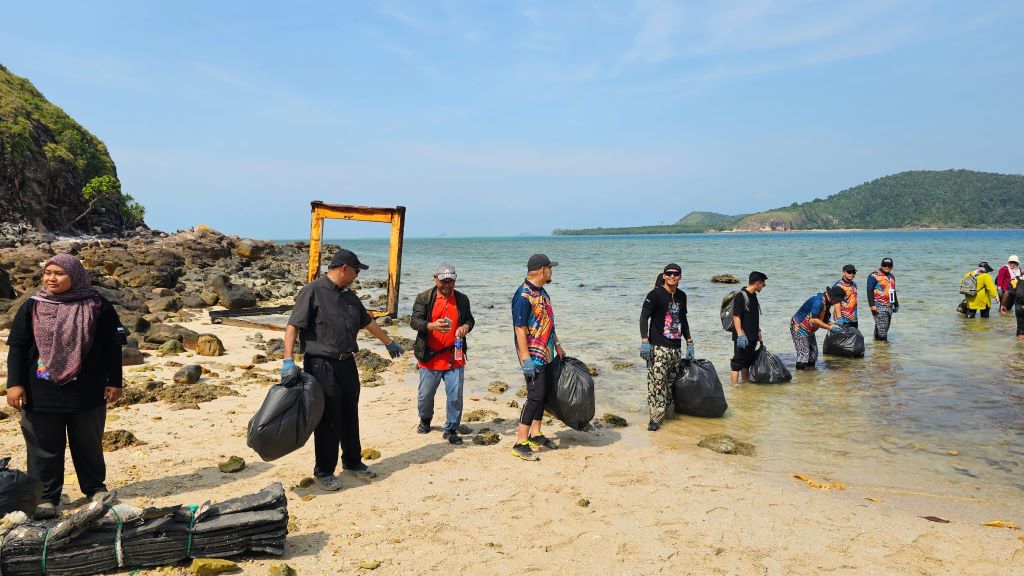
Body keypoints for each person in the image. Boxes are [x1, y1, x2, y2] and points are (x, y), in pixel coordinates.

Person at [5, 254, 124, 519]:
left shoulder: (97, 305)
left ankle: (94, 488)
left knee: (88, 443)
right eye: (47, 273)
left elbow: (112, 347)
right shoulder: (33, 306)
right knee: (43, 446)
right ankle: (46, 497)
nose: (51, 278)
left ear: (75, 275)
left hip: (88, 390)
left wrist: (115, 381)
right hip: (40, 392)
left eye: (59, 273)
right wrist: (14, 384)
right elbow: (17, 346)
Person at [283, 249, 405, 491]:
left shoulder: (350, 297)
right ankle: (324, 470)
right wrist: (287, 360)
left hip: (347, 363)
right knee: (329, 417)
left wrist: (388, 342)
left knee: (350, 413)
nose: (357, 275)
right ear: (344, 268)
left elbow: (368, 321)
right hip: (321, 364)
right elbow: (293, 325)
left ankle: (352, 461)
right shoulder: (313, 291)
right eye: (356, 271)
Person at [410, 262, 475, 445]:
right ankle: (425, 420)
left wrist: (465, 327)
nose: (447, 286)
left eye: (450, 282)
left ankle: (452, 428)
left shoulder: (462, 299)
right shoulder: (424, 298)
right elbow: (414, 321)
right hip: (430, 355)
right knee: (425, 395)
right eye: (443, 282)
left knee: (455, 395)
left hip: (455, 354)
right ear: (435, 278)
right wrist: (431, 326)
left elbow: (470, 319)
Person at [510, 254, 565, 461]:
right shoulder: (523, 296)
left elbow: (549, 322)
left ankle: (536, 434)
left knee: (543, 394)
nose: (552, 272)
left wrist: (558, 345)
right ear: (543, 270)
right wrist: (525, 359)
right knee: (534, 396)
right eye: (551, 268)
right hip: (532, 355)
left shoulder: (542, 293)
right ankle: (520, 442)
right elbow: (520, 329)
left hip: (547, 352)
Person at [639, 263, 693, 431]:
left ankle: (668, 415)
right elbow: (643, 317)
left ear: (680, 277)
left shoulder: (682, 296)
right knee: (656, 383)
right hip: (658, 348)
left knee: (670, 384)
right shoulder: (654, 295)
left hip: (675, 349)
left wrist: (689, 341)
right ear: (663, 276)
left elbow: (683, 320)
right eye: (669, 273)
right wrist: (644, 341)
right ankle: (655, 419)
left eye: (675, 274)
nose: (672, 276)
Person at [790, 286, 847, 370]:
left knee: (813, 354)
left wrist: (832, 324)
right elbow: (813, 320)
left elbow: (822, 318)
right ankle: (801, 378)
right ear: (832, 297)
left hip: (809, 330)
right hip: (798, 328)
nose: (838, 303)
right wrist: (829, 328)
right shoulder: (818, 302)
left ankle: (810, 377)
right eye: (838, 300)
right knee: (803, 356)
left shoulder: (827, 302)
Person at [730, 271, 767, 386]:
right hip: (743, 336)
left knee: (747, 362)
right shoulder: (741, 296)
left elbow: (753, 316)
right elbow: (736, 316)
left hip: (753, 336)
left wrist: (759, 331)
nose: (763, 287)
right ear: (757, 283)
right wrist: (740, 335)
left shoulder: (754, 296)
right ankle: (735, 388)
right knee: (737, 362)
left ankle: (745, 384)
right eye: (763, 284)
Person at [866, 257, 899, 341]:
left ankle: (877, 346)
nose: (887, 267)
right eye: (885, 265)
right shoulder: (874, 275)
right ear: (881, 265)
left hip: (889, 306)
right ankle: (884, 349)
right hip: (878, 306)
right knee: (883, 332)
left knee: (881, 328)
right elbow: (869, 290)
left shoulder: (892, 277)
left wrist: (896, 304)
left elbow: (893, 291)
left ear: (892, 267)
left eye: (889, 265)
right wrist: (872, 305)